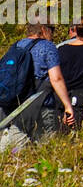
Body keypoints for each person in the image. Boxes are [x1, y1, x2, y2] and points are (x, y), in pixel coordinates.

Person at [0, 21, 75, 149]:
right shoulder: (48, 46)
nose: (53, 33)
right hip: (42, 104)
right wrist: (67, 105)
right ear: (43, 29)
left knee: (16, 149)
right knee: (47, 149)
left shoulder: (16, 46)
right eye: (52, 29)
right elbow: (56, 78)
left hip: (18, 106)